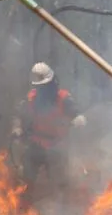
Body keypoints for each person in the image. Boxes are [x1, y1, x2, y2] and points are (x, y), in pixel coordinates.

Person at [12, 62, 86, 204]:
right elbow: (19, 114)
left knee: (59, 183)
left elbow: (77, 114)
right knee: (26, 179)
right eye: (40, 87)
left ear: (52, 82)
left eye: (45, 86)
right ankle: (25, 209)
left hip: (57, 146)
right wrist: (17, 127)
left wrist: (78, 120)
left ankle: (62, 213)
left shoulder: (64, 98)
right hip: (36, 145)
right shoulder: (31, 98)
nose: (43, 90)